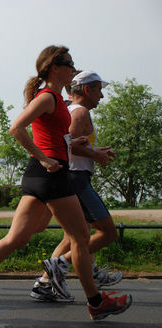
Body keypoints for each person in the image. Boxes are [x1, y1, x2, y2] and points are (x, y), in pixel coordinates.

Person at [0, 45, 132, 321]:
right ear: (54, 68)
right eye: (70, 64)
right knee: (81, 237)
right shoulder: (48, 96)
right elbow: (17, 128)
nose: (73, 68)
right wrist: (45, 158)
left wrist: (77, 144)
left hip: (39, 175)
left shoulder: (59, 101)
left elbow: (54, 135)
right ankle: (96, 302)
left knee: (18, 238)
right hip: (50, 175)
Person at [30, 71, 123, 302]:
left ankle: (44, 283)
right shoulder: (80, 112)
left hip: (70, 177)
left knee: (73, 237)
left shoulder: (70, 109)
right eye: (99, 90)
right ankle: (59, 266)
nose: (101, 96)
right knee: (107, 232)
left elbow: (69, 144)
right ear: (88, 90)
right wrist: (95, 154)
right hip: (77, 179)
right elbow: (71, 146)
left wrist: (95, 152)